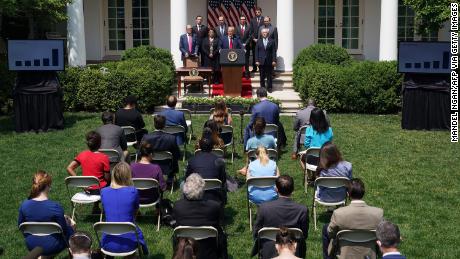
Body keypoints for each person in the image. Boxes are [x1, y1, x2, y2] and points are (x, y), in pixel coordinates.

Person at [323, 178, 383, 259]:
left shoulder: (339, 213)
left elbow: (330, 233)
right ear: (363, 193)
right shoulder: (378, 213)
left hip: (344, 254)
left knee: (325, 228)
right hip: (369, 255)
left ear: (348, 194)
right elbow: (382, 235)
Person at [18, 171, 75, 256]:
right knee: (72, 224)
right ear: (48, 186)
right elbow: (64, 230)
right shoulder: (55, 207)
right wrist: (69, 221)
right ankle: (74, 254)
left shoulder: (24, 205)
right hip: (52, 245)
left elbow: (21, 225)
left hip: (31, 244)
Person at [173, 174, 227, 259]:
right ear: (202, 190)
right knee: (222, 234)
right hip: (209, 253)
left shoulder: (178, 206)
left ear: (185, 189)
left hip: (185, 252)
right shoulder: (214, 206)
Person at [253, 175, 308, 259]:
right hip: (294, 251)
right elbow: (304, 234)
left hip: (268, 251)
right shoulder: (302, 210)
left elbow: (257, 233)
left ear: (276, 189)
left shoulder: (264, 208)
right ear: (293, 190)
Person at [101, 162, 148, 255]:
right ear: (128, 176)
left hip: (108, 242)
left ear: (113, 174)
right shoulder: (133, 191)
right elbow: (135, 212)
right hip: (129, 242)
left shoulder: (104, 191)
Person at [66, 131, 110, 197]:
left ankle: (96, 206)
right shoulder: (104, 157)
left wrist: (81, 183)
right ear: (100, 143)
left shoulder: (82, 154)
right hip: (100, 190)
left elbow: (69, 168)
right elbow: (107, 178)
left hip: (87, 189)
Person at [141, 115, 180, 187]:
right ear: (164, 124)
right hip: (167, 167)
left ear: (154, 123)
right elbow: (177, 155)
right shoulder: (171, 138)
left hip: (150, 164)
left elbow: (141, 153)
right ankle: (170, 178)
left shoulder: (146, 137)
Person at [187, 137, 226, 203]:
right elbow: (223, 179)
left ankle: (186, 204)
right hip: (214, 192)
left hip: (196, 192)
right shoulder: (219, 160)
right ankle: (223, 203)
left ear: (200, 147)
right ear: (212, 147)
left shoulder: (192, 160)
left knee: (182, 184)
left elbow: (187, 179)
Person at [255, 28, 277, 92]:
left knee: (269, 76)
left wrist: (274, 60)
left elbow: (273, 52)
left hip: (269, 61)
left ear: (268, 33)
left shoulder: (272, 41)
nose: (264, 33)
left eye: (266, 32)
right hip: (261, 61)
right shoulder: (259, 41)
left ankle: (269, 87)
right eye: (263, 32)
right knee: (261, 76)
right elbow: (256, 51)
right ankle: (262, 88)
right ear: (261, 34)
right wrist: (256, 60)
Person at [250, 7, 264, 72]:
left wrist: (260, 39)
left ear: (261, 12)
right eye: (256, 12)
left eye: (258, 12)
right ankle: (254, 68)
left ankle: (261, 67)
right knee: (254, 54)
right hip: (254, 41)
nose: (257, 13)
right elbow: (251, 31)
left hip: (262, 40)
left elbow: (265, 30)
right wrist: (254, 38)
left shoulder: (264, 20)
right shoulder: (252, 20)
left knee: (261, 54)